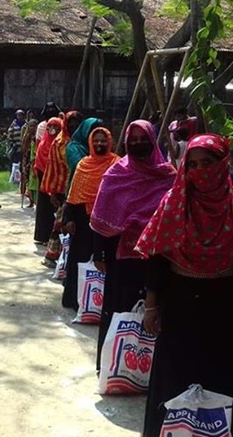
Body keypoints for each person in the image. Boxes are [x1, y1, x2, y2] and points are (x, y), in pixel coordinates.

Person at [136, 134, 233, 437]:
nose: (199, 171)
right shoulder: (173, 204)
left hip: (224, 307)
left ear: (223, 164)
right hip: (178, 302)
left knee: (224, 379)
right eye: (191, 165)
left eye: (207, 164)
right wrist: (151, 306)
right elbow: (156, 258)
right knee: (174, 375)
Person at [91, 120, 176, 370]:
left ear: (153, 140)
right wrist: (99, 253)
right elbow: (100, 215)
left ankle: (149, 370)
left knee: (155, 313)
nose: (139, 144)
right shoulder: (116, 174)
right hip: (122, 260)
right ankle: (114, 366)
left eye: (144, 139)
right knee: (119, 309)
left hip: (158, 258)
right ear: (127, 143)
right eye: (134, 140)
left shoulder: (168, 175)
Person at [61, 127, 121, 309]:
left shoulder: (116, 164)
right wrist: (68, 219)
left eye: (103, 140)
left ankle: (100, 305)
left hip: (107, 222)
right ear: (90, 142)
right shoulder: (83, 164)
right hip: (82, 222)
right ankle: (76, 300)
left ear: (110, 142)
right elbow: (73, 195)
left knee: (105, 262)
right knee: (79, 259)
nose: (99, 144)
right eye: (96, 141)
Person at [42, 111, 83, 263]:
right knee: (60, 223)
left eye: (77, 123)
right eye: (70, 122)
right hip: (63, 190)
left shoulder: (86, 141)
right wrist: (53, 192)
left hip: (81, 190)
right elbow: (52, 167)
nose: (74, 126)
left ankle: (67, 259)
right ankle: (52, 255)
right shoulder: (58, 143)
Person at [33, 117, 62, 245]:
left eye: (55, 127)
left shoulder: (60, 144)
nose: (52, 130)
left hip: (55, 182)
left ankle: (52, 236)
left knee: (54, 208)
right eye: (50, 127)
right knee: (43, 207)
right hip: (43, 179)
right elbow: (38, 161)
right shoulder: (43, 144)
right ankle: (42, 235)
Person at [66, 117, 104, 181]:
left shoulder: (99, 146)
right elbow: (78, 166)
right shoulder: (73, 147)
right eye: (91, 131)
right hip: (79, 182)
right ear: (85, 130)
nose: (94, 135)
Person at [20, 110, 39, 208]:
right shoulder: (26, 135)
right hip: (27, 159)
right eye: (30, 126)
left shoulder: (38, 137)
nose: (32, 128)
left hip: (35, 160)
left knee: (35, 181)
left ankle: (36, 201)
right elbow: (23, 148)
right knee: (27, 180)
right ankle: (31, 201)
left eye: (34, 126)